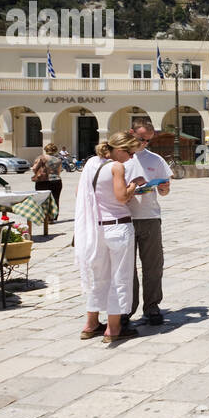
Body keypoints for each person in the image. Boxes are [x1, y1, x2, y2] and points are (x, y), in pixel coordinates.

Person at [74, 132, 144, 343]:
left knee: (99, 277)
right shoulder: (116, 167)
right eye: (130, 152)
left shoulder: (92, 165)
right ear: (120, 150)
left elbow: (80, 193)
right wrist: (135, 184)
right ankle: (113, 328)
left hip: (97, 229)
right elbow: (122, 197)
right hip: (118, 227)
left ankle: (90, 324)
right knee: (119, 277)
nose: (131, 157)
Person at [124, 118, 172, 327]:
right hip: (124, 217)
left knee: (153, 265)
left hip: (150, 216)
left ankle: (152, 306)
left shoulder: (155, 159)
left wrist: (163, 189)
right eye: (141, 139)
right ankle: (126, 309)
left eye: (148, 141)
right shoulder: (120, 159)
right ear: (130, 133)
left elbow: (166, 188)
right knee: (126, 268)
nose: (144, 144)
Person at [32, 142, 64, 215]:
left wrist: (38, 173)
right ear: (55, 150)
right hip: (56, 181)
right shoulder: (58, 160)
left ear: (46, 150)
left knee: (42, 199)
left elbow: (34, 168)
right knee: (55, 199)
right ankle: (53, 217)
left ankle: (44, 217)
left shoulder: (41, 158)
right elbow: (59, 172)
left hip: (43, 181)